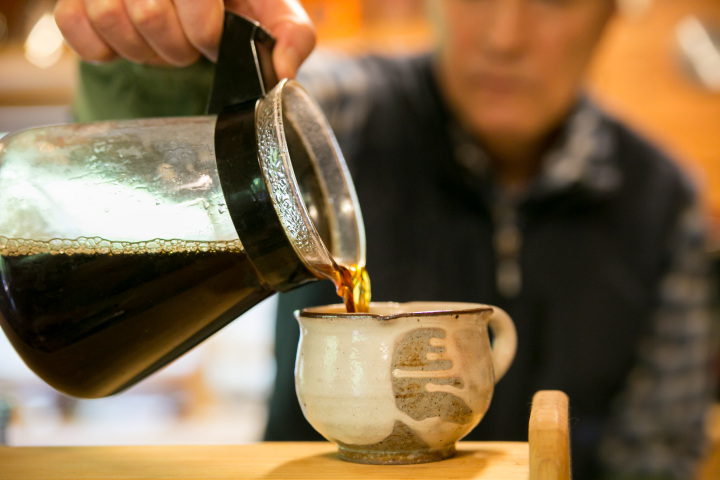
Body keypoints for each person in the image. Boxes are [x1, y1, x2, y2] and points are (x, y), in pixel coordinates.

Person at [54, 0, 717, 478]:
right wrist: (151, 56)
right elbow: (169, 155)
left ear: (613, 14)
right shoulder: (350, 111)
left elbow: (656, 456)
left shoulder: (667, 205)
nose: (506, 35)